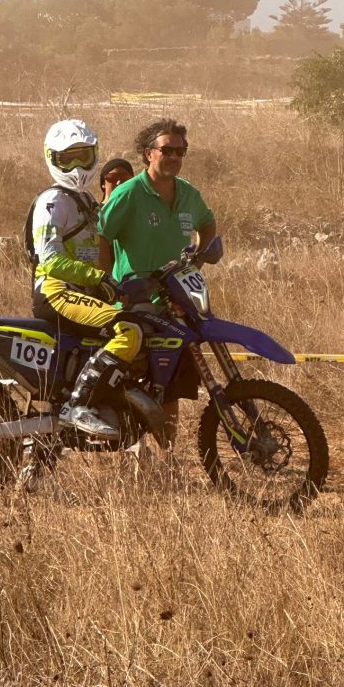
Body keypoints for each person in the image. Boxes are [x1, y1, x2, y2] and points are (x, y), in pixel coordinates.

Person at [97, 118, 216, 443]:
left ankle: (167, 454)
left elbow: (208, 224)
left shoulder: (188, 194)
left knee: (171, 384)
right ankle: (134, 453)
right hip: (135, 305)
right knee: (134, 383)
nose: (174, 157)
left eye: (181, 151)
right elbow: (101, 236)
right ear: (148, 153)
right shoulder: (128, 193)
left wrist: (197, 262)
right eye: (167, 150)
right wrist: (108, 285)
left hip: (176, 304)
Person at [29, 119, 144, 438]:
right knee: (128, 330)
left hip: (83, 294)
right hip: (56, 291)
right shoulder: (52, 202)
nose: (78, 167)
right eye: (68, 159)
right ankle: (79, 406)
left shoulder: (86, 202)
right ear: (52, 159)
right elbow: (50, 260)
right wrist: (98, 278)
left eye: (83, 156)